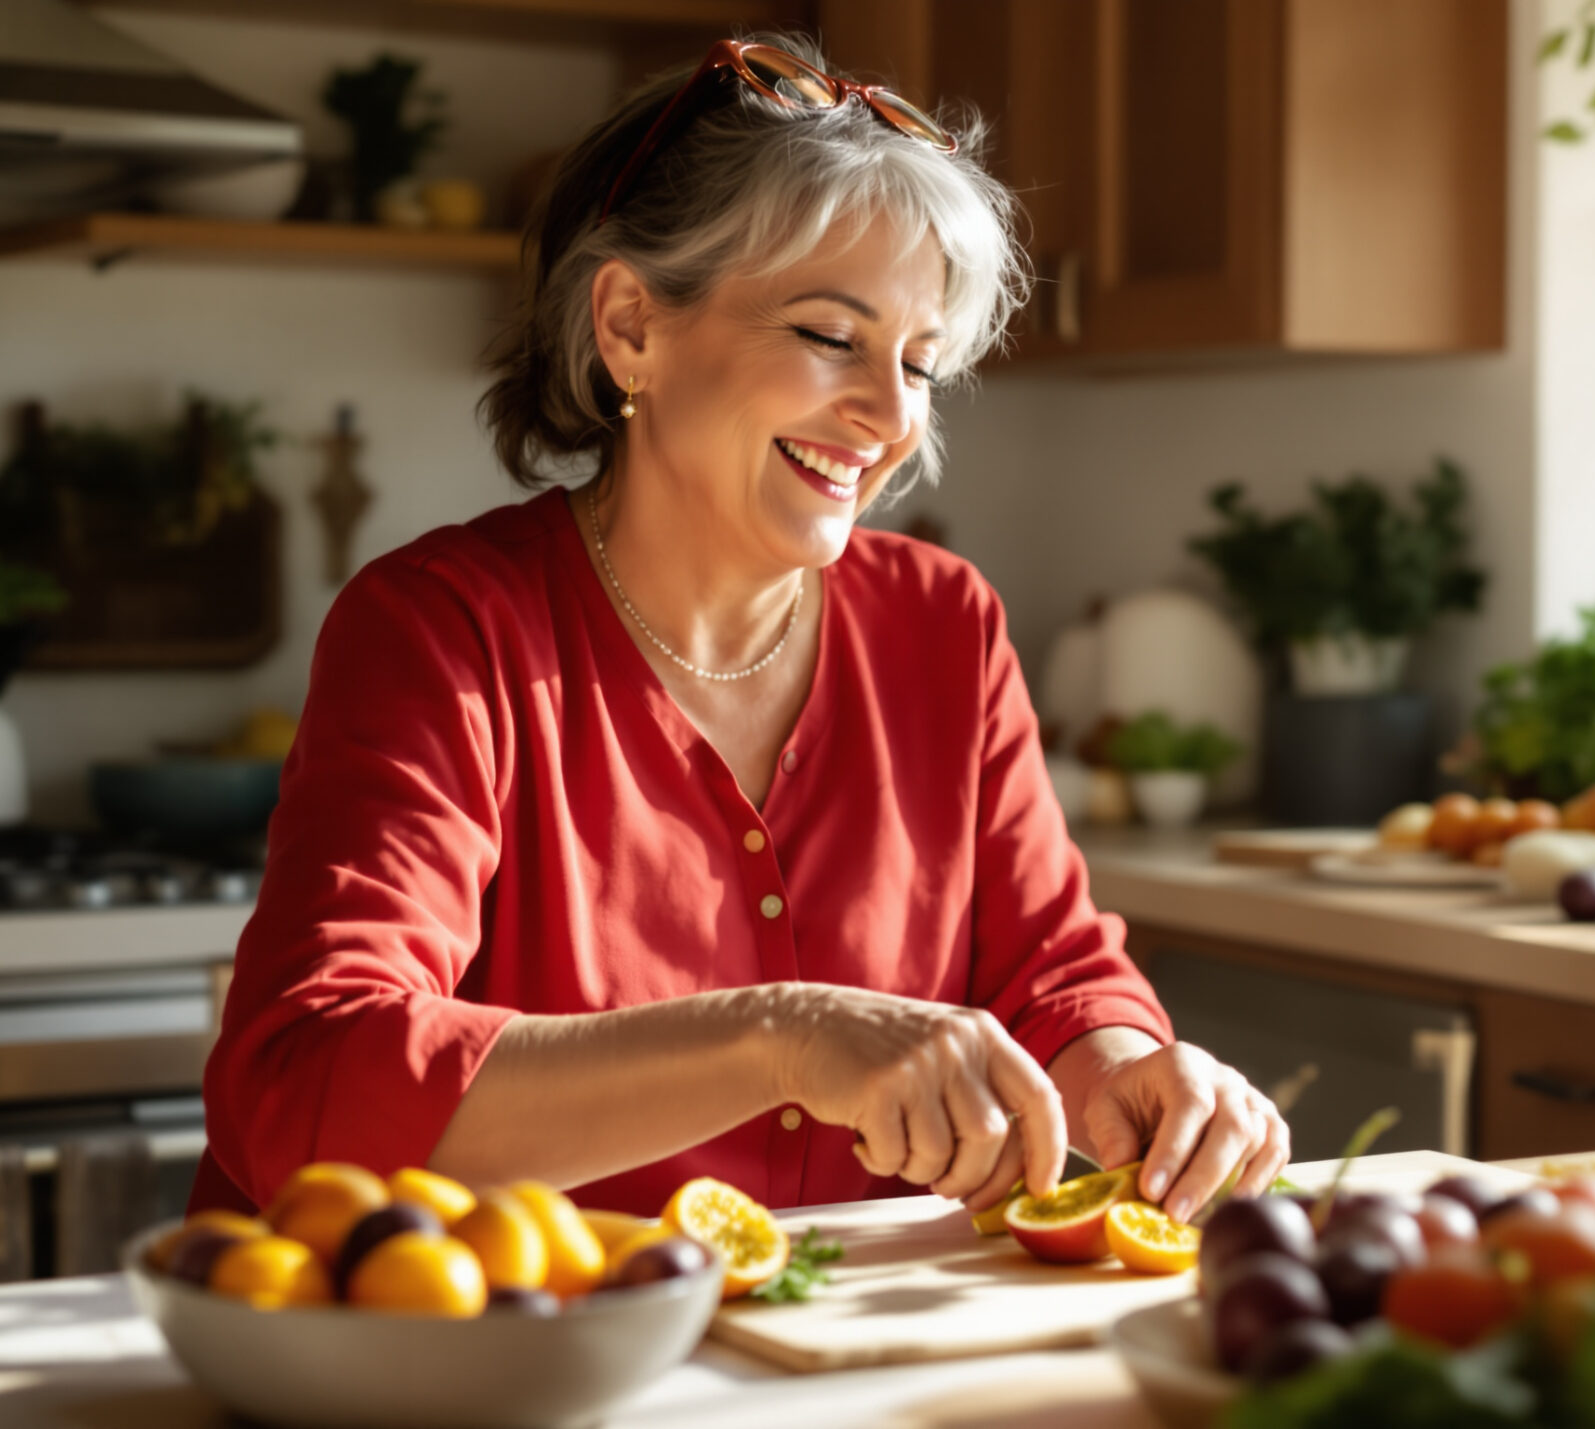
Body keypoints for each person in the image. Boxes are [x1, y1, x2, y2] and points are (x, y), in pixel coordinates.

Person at [195, 35, 1289, 1227]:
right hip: (500, 1325)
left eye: (919, 364)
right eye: (829, 337)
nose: (887, 416)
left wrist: (1127, 1069)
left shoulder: (944, 624)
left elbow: (1051, 972)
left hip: (824, 1330)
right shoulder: (443, 630)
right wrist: (782, 1037)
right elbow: (309, 1078)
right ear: (631, 326)